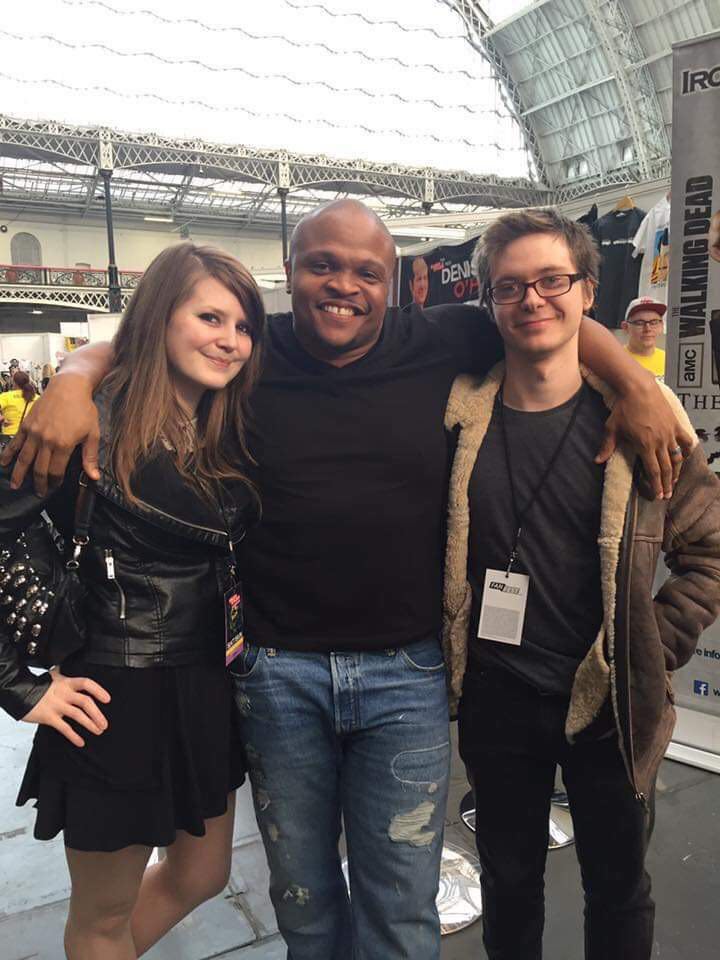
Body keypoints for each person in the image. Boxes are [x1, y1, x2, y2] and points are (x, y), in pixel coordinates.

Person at [1, 200, 693, 960]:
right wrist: (74, 376)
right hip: (274, 679)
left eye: (367, 271)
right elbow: (151, 337)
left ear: (393, 282)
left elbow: (548, 314)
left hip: (405, 679)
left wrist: (634, 384)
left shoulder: (439, 338)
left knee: (400, 909)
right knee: (303, 903)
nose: (343, 284)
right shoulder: (253, 350)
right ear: (290, 272)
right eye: (323, 265)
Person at [442, 209, 720, 960]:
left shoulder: (644, 426)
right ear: (489, 301)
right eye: (510, 287)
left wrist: (653, 641)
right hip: (496, 700)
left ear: (588, 291)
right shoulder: (457, 419)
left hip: (612, 705)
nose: (531, 299)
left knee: (619, 888)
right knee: (508, 885)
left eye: (551, 281)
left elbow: (711, 547)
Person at [0, 242, 266, 960]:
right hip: (114, 697)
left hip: (206, 685)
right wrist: (21, 688)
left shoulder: (221, 425)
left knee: (203, 873)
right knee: (102, 918)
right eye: (209, 317)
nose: (230, 340)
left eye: (244, 326)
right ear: (158, 319)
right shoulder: (88, 423)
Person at [621, 296, 666, 379]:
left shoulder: (670, 361)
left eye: (654, 322)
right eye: (640, 323)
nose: (648, 329)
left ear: (662, 326)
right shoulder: (616, 359)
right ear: (625, 327)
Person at [0, 369, 39, 436]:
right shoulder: (36, 397)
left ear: (14, 382)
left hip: (10, 435)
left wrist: (2, 419)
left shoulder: (6, 396)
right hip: (31, 435)